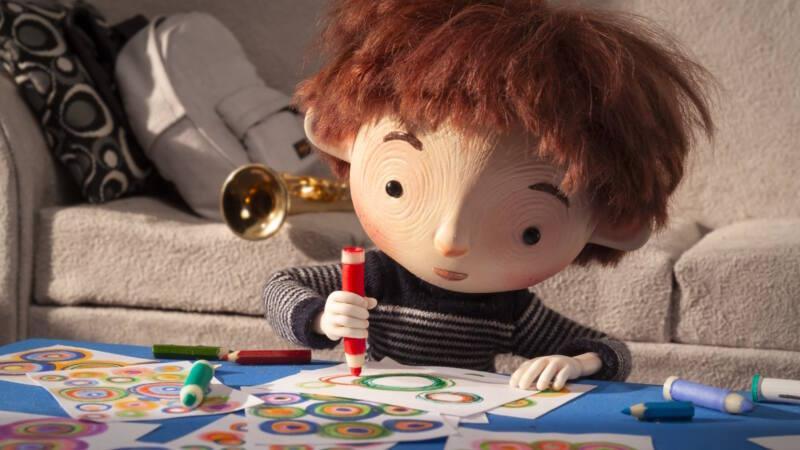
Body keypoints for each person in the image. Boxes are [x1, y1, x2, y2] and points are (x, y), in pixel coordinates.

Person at [263, 0, 713, 391]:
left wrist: (577, 364)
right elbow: (279, 287)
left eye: (530, 229)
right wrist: (319, 317)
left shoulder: (506, 309)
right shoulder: (379, 278)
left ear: (611, 226)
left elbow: (612, 351)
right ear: (339, 135)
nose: (450, 239)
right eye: (395, 186)